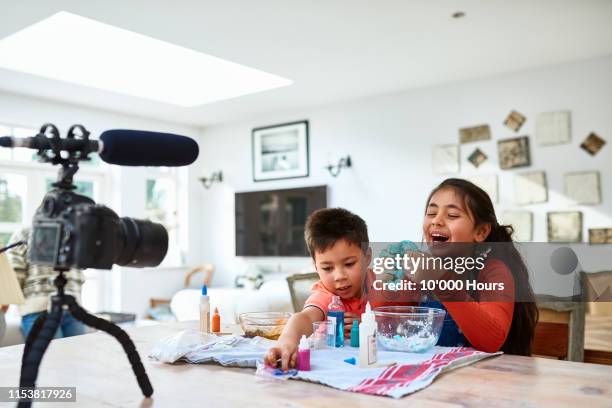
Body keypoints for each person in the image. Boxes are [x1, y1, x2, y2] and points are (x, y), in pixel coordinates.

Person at [416, 178, 538, 355]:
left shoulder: (494, 272)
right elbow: (386, 328)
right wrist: (385, 283)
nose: (437, 221)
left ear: (480, 232)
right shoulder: (421, 271)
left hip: (487, 378)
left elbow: (491, 341)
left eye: (452, 216)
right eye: (431, 213)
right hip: (435, 376)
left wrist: (442, 283)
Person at [6, 227, 86, 340]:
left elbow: (15, 274)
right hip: (43, 310)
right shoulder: (25, 233)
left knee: (75, 356)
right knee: (61, 356)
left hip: (71, 309)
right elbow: (14, 274)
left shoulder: (74, 234)